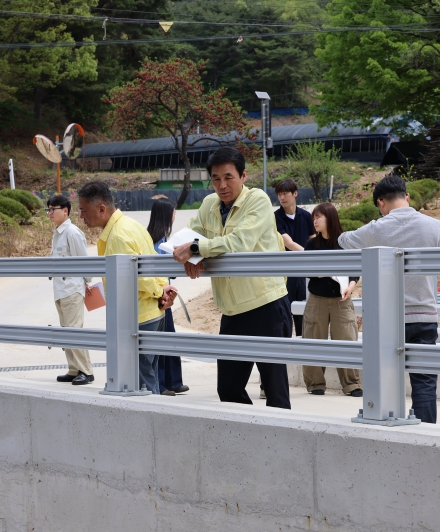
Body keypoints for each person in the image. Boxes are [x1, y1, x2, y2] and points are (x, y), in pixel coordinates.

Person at [172, 146, 292, 410]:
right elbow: (189, 236)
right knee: (228, 389)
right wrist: (192, 254)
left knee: (275, 390)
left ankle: (277, 434)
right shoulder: (209, 204)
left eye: (229, 177)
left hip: (266, 305)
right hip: (232, 309)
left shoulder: (257, 200)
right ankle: (249, 431)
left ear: (243, 176)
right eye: (216, 178)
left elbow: (241, 242)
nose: (222, 185)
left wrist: (197, 249)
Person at [338, 175, 440, 424]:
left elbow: (343, 241)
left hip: (387, 320)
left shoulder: (375, 229)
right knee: (425, 381)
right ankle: (425, 432)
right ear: (406, 197)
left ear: (380, 202)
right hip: (423, 314)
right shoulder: (434, 225)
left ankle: (388, 431)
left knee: (384, 382)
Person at [77, 181, 177, 394]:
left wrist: (160, 291)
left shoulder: (118, 236)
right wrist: (163, 289)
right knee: (148, 377)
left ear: (101, 209)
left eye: (84, 211)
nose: (81, 216)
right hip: (152, 313)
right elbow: (152, 261)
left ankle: (150, 414)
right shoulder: (131, 225)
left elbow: (137, 277)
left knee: (140, 384)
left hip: (138, 318)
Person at [302, 203, 363, 397]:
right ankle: (315, 384)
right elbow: (307, 270)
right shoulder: (312, 245)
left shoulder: (346, 242)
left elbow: (355, 270)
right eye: (313, 218)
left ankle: (352, 384)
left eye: (318, 217)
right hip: (317, 299)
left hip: (342, 300)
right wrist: (328, 271)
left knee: (347, 339)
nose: (315, 221)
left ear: (330, 218)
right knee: (313, 339)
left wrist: (350, 288)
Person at [47, 193, 95, 386]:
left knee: (74, 330)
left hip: (72, 289)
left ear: (65, 211)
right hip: (60, 289)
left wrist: (87, 282)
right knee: (66, 331)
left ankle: (86, 371)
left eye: (53, 209)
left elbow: (83, 261)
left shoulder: (72, 233)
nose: (50, 213)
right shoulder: (58, 232)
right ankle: (74, 369)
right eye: (48, 209)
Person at [147, 197, 189, 396]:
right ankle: (162, 384)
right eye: (173, 212)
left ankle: (173, 381)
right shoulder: (156, 243)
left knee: (170, 337)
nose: (174, 215)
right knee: (162, 339)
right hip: (159, 297)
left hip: (166, 294)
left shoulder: (162, 240)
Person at [274, 179, 314, 337]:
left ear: (295, 193)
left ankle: (303, 346)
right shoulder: (275, 218)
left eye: (285, 193)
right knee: (284, 314)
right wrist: (310, 255)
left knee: (303, 313)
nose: (282, 197)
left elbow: (313, 238)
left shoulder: (306, 216)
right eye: (279, 194)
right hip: (285, 272)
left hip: (304, 272)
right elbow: (288, 243)